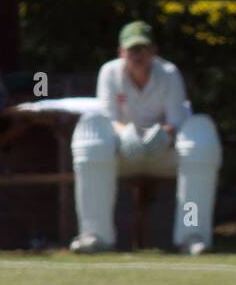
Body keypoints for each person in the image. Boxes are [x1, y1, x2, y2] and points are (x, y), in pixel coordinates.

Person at [70, 21, 221, 254]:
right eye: (132, 50)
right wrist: (126, 133)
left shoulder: (169, 73)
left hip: (162, 154)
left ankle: (193, 235)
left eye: (143, 49)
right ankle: (94, 235)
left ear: (154, 51)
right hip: (122, 154)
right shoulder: (110, 72)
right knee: (90, 131)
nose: (137, 55)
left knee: (201, 133)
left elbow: (178, 121)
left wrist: (163, 134)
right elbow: (107, 119)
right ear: (121, 52)